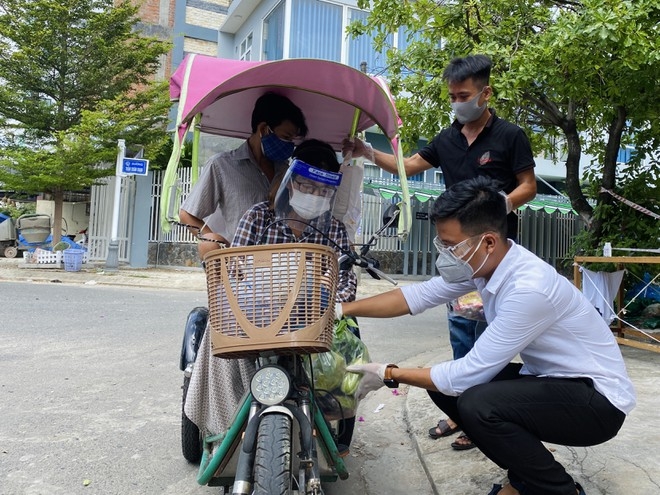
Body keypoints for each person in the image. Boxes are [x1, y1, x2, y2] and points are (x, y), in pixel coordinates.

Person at [339, 177, 635, 495]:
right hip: (557, 381)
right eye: (442, 244)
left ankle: (559, 489)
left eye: (450, 246)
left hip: (598, 403)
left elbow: (467, 375)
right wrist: (340, 309)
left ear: (489, 241)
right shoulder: (485, 264)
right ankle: (527, 473)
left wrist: (389, 374)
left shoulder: (527, 288)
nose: (445, 254)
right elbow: (417, 297)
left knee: (477, 402)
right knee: (443, 390)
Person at [342, 54, 537, 449]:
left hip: (491, 255)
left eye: (463, 95)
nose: (456, 102)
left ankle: (487, 415)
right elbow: (408, 165)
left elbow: (528, 185)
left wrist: (498, 207)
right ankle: (461, 412)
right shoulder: (447, 139)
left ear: (486, 93)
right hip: (457, 256)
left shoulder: (510, 135)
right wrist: (365, 151)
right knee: (462, 329)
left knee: (490, 334)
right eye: (451, 96)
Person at [184, 139, 359, 453]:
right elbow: (235, 271)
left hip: (312, 318)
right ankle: (226, 426)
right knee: (218, 330)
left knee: (351, 338)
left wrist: (328, 297)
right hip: (257, 314)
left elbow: (345, 283)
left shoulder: (334, 229)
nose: (314, 195)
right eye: (307, 186)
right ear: (291, 184)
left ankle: (336, 428)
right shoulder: (258, 217)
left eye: (323, 191)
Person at [179, 91, 308, 259]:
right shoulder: (222, 165)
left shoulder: (287, 171)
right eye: (285, 137)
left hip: (281, 268)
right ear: (263, 129)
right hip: (239, 267)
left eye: (292, 140)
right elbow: (187, 214)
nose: (289, 145)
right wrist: (217, 245)